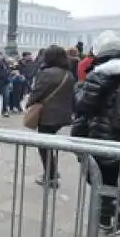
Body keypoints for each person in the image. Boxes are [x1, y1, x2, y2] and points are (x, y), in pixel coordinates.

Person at [72, 30, 120, 235]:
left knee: (96, 177)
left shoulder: (102, 75)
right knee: (110, 177)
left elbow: (81, 104)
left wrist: (79, 86)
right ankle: (105, 220)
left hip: (102, 135)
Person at [26, 45, 75, 188]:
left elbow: (37, 92)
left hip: (48, 115)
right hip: (62, 114)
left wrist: (30, 103)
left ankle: (50, 176)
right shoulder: (68, 73)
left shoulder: (46, 73)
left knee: (44, 145)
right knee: (49, 143)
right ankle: (52, 171)